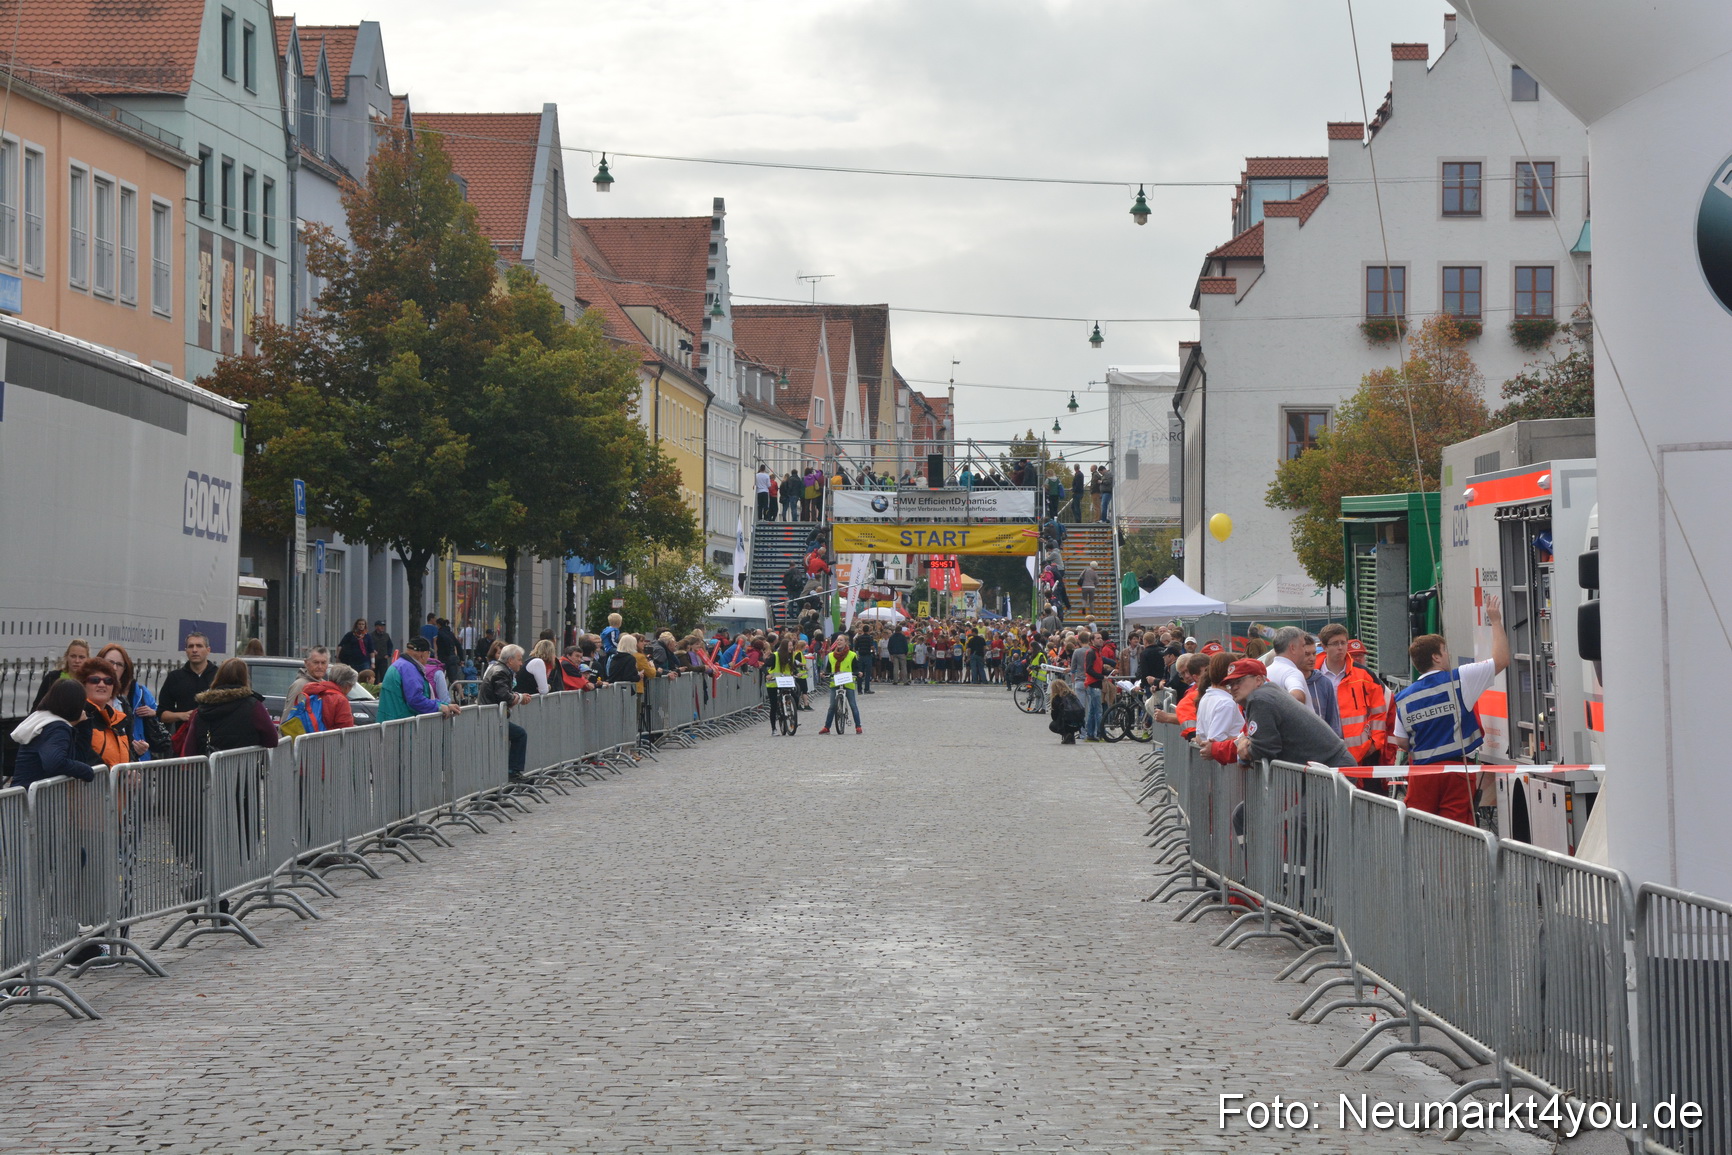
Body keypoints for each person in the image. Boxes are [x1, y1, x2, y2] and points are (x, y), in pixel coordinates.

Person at [1389, 598, 1511, 824]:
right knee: (1456, 833)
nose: (1448, 655)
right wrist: (1495, 621)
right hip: (1455, 772)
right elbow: (1502, 659)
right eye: (1445, 651)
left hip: (1422, 775)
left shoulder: (1404, 697)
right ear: (1435, 657)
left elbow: (1402, 742)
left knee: (1420, 829)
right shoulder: (1461, 679)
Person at [1202, 658, 1350, 768]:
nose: (1233, 687)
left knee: (1305, 811)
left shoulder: (1259, 699)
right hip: (1328, 766)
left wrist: (1244, 750)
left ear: (1258, 680)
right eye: (1230, 684)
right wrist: (1243, 745)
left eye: (1238, 681)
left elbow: (1263, 748)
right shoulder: (1265, 694)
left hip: (1331, 768)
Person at [1314, 629, 1388, 768]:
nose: (1340, 647)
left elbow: (1379, 712)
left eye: (1343, 643)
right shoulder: (1312, 675)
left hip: (1360, 753)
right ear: (1324, 647)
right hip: (1322, 751)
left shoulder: (1364, 675)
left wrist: (1375, 742)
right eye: (1335, 643)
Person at [10, 679, 99, 789]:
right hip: (32, 800)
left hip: (32, 798)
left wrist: (83, 724)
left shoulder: (44, 721)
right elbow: (54, 762)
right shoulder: (57, 728)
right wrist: (86, 770)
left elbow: (78, 757)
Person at [95, 643, 170, 760]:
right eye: (110, 663)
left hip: (126, 771)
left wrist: (137, 751)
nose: (114, 668)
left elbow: (126, 746)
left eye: (119, 664)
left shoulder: (123, 704)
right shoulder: (86, 702)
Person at [188, 659, 280, 753]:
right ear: (245, 678)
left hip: (210, 765)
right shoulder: (253, 705)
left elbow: (190, 746)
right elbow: (272, 740)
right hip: (245, 765)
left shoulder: (204, 707)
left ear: (218, 676)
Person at [72, 657, 142, 766]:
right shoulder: (77, 717)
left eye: (108, 681)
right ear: (83, 684)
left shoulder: (118, 720)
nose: (102, 684)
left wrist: (130, 772)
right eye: (94, 680)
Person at [478, 644, 533, 781]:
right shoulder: (500, 671)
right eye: (519, 660)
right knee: (520, 734)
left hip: (493, 716)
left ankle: (505, 777)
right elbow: (503, 696)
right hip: (491, 718)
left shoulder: (499, 669)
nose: (521, 663)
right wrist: (519, 698)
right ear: (510, 660)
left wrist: (517, 696)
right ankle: (513, 772)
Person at [377, 637, 461, 722]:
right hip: (401, 724)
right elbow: (415, 699)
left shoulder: (400, 665)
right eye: (428, 654)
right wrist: (439, 706)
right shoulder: (409, 669)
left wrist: (444, 704)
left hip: (391, 722)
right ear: (423, 654)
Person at [157, 632, 216, 731]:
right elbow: (162, 714)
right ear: (186, 651)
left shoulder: (219, 676)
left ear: (208, 650)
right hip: (184, 738)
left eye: (199, 646)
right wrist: (182, 716)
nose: (194, 650)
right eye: (190, 646)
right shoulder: (175, 677)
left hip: (215, 737)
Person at [819, 634, 862, 735]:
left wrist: (858, 673)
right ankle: (827, 727)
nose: (839, 642)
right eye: (837, 640)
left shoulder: (852, 655)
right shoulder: (830, 655)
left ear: (846, 642)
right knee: (832, 706)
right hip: (835, 682)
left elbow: (855, 668)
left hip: (848, 682)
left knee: (853, 705)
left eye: (841, 640)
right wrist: (824, 673)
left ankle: (858, 726)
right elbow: (829, 668)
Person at [1069, 629, 1106, 742]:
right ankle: (1097, 732)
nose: (1100, 640)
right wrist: (1101, 676)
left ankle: (1084, 732)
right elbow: (1089, 669)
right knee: (1093, 709)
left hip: (1081, 681)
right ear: (1090, 640)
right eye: (1098, 638)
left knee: (1083, 709)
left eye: (1101, 638)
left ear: (1079, 640)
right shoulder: (1091, 652)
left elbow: (1073, 668)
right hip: (1091, 682)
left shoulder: (1078, 652)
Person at [34, 639, 90, 710]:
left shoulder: (91, 681)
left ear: (88, 659)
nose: (77, 661)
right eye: (73, 656)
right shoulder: (52, 678)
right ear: (66, 656)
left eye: (81, 657)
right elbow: (37, 707)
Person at [1262, 626, 1312, 705]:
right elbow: (1297, 696)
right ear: (1293, 648)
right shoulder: (1292, 672)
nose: (1305, 651)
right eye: (1303, 646)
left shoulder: (1265, 672)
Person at [284, 646, 332, 717]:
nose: (320, 666)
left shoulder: (325, 685)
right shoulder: (300, 685)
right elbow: (289, 716)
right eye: (316, 662)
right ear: (306, 663)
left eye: (323, 663)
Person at [1047, 677, 1086, 744]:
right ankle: (1071, 737)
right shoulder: (1073, 695)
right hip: (1078, 724)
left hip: (1065, 724)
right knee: (1070, 718)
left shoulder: (1056, 698)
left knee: (1052, 725)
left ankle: (1066, 735)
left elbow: (1054, 716)